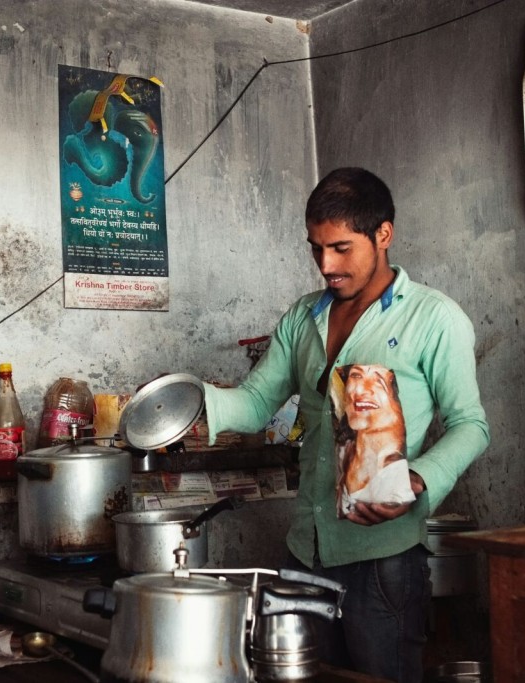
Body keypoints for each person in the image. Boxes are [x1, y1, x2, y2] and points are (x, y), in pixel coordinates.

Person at [202, 167, 490, 683]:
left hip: (382, 560)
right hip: (305, 551)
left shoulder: (434, 318)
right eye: (316, 249)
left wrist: (418, 478)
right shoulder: (303, 317)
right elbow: (254, 402)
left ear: (383, 234)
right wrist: (191, 402)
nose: (326, 266)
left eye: (340, 248)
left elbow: (471, 424)